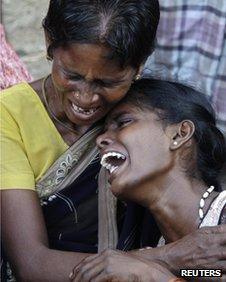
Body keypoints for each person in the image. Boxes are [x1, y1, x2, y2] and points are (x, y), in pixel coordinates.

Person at [1, 1, 226, 281]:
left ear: (140, 65)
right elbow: (31, 264)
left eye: (108, 83)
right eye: (72, 75)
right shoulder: (9, 116)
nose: (86, 99)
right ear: (48, 42)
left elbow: (208, 272)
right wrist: (161, 261)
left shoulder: (211, 230)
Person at [73, 78, 226, 281]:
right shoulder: (168, 249)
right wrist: (157, 260)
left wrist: (152, 273)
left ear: (179, 134)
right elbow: (206, 275)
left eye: (123, 122)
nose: (101, 140)